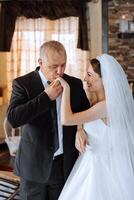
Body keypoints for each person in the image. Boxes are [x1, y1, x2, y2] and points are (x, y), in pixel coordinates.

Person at [6, 40, 90, 200]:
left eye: (63, 65)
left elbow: (85, 113)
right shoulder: (23, 84)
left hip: (63, 164)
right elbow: (14, 118)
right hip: (33, 166)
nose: (60, 71)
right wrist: (46, 97)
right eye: (54, 66)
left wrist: (81, 128)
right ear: (40, 62)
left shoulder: (75, 84)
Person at [57, 54, 134, 200]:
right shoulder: (94, 100)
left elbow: (67, 119)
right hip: (89, 164)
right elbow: (84, 117)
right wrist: (80, 129)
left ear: (104, 79)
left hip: (102, 171)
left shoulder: (107, 106)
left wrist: (66, 87)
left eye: (90, 75)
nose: (85, 79)